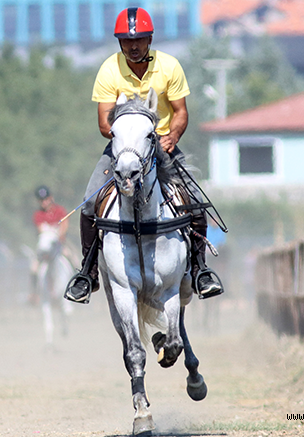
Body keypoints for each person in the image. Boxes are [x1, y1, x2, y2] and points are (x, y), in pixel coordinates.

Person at [64, 7, 223, 304]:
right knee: (88, 205)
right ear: (119, 42)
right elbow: (103, 123)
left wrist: (171, 137)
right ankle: (88, 273)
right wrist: (129, 144)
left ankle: (200, 270)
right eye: (126, 41)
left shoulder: (170, 66)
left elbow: (180, 113)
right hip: (123, 148)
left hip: (162, 145)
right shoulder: (109, 69)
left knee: (196, 204)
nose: (133, 46)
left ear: (149, 39)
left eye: (138, 40)